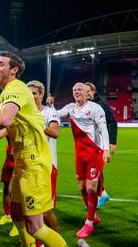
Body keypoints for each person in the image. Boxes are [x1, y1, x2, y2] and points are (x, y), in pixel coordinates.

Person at [0, 51, 67, 247]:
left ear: (14, 70)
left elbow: (3, 120)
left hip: (34, 161)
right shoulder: (5, 94)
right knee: (17, 214)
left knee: (36, 226)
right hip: (23, 161)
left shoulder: (16, 89)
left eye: (0, 64)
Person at [57, 82, 111, 238]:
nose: (76, 91)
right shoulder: (70, 108)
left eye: (80, 89)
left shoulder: (95, 108)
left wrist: (106, 149)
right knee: (81, 188)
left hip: (95, 152)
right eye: (74, 89)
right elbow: (55, 114)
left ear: (88, 93)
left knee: (91, 189)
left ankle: (89, 223)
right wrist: (47, 106)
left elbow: (103, 129)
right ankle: (93, 215)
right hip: (79, 154)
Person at [27, 80, 60, 242]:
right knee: (30, 211)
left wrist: (38, 124)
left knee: (46, 212)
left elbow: (55, 132)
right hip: (28, 166)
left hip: (47, 166)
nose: (31, 96)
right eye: (29, 93)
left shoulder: (49, 112)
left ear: (41, 95)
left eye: (34, 93)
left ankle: (56, 241)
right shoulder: (24, 111)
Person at [85, 81, 117, 208]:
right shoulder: (85, 104)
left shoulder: (101, 104)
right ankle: (102, 193)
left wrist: (112, 142)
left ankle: (100, 195)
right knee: (93, 170)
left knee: (95, 169)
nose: (86, 93)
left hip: (100, 143)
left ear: (94, 91)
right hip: (89, 144)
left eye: (89, 91)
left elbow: (112, 123)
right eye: (84, 90)